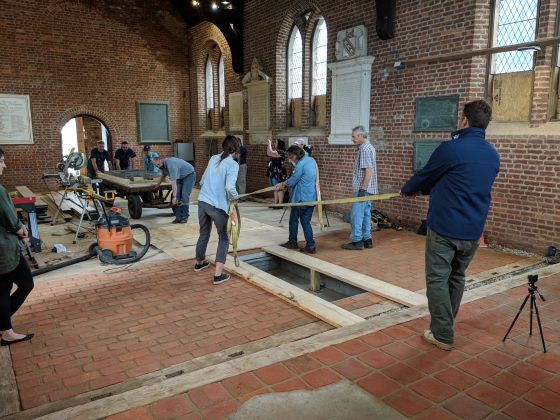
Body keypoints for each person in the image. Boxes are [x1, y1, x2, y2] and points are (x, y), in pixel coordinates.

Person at [401, 100, 500, 351]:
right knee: (457, 276)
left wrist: (409, 190)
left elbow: (426, 176)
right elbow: (459, 181)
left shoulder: (451, 149)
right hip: (473, 229)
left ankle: (442, 333)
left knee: (437, 279)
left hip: (445, 227)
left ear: (465, 120)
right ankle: (446, 323)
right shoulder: (492, 154)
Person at [194, 136, 240, 285]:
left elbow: (202, 179)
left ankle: (199, 263)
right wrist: (235, 197)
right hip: (217, 206)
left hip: (202, 202)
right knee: (224, 238)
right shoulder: (232, 164)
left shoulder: (214, 158)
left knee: (204, 233)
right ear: (236, 149)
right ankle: (218, 275)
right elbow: (229, 187)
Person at [0, 149, 34, 346]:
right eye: (2, 161)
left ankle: (6, 331)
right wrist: (22, 231)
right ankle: (4, 327)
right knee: (26, 283)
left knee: (2, 288)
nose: (4, 166)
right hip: (4, 249)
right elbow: (11, 219)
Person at [275, 145, 317, 254]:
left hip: (300, 199)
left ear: (295, 156)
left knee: (293, 220)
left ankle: (292, 242)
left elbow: (293, 180)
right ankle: (310, 245)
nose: (289, 159)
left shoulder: (300, 165)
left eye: (290, 157)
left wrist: (282, 184)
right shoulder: (310, 160)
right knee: (306, 222)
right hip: (311, 197)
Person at [342, 125, 378, 250]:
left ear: (361, 136)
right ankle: (367, 239)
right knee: (366, 214)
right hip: (370, 189)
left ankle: (357, 241)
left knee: (356, 215)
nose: (352, 139)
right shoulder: (369, 147)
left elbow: (368, 171)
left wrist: (362, 190)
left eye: (354, 136)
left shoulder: (364, 149)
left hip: (363, 190)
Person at [153, 157, 195, 224]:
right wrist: (158, 184)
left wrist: (174, 196)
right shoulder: (162, 166)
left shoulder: (171, 164)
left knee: (184, 196)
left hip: (189, 175)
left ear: (161, 160)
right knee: (178, 197)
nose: (158, 166)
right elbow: (164, 174)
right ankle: (178, 217)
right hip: (180, 176)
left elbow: (173, 182)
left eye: (158, 164)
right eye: (156, 165)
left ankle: (184, 217)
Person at [266, 138, 287, 207]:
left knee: (279, 188)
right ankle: (275, 203)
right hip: (273, 172)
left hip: (279, 173)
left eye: (276, 142)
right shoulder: (277, 151)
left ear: (279, 144)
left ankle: (280, 204)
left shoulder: (281, 152)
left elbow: (269, 153)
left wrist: (269, 144)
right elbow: (269, 152)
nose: (275, 144)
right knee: (275, 188)